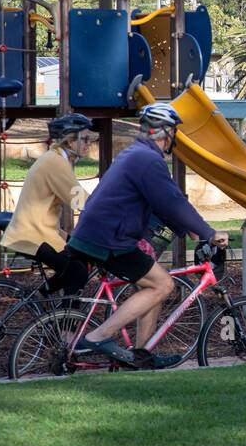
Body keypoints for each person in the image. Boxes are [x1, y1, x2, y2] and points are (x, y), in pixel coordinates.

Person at [68, 102, 228, 364]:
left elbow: (157, 201)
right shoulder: (147, 159)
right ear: (164, 132)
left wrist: (188, 229)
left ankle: (140, 356)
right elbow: (172, 201)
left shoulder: (136, 154)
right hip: (109, 239)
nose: (173, 139)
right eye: (174, 132)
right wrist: (209, 232)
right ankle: (98, 337)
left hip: (100, 234)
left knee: (152, 285)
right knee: (163, 284)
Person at [1, 113, 94, 297]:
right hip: (33, 234)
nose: (88, 143)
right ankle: (68, 325)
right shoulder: (55, 162)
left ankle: (38, 296)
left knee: (83, 258)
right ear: (69, 142)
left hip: (42, 230)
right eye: (84, 139)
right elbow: (80, 200)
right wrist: (110, 211)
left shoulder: (57, 158)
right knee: (77, 273)